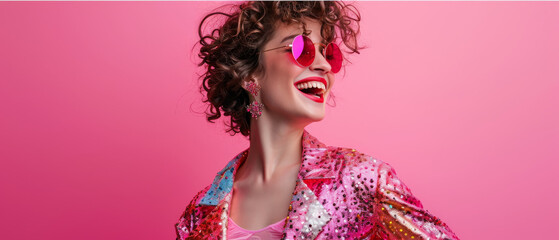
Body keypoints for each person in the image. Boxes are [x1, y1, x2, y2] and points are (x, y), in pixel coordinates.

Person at [176, 1, 459, 239]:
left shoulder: (359, 179)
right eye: (301, 49)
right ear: (250, 74)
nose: (323, 65)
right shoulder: (198, 214)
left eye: (329, 53)